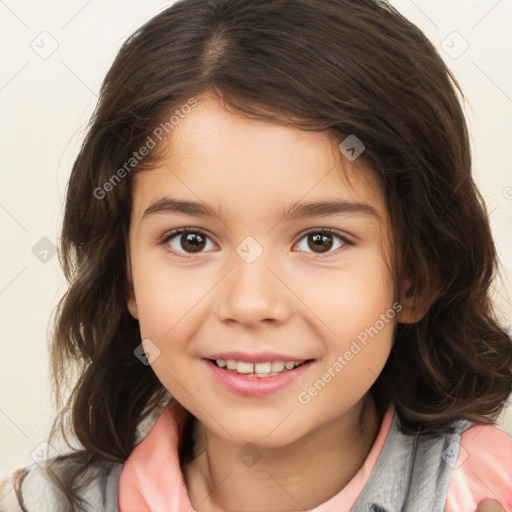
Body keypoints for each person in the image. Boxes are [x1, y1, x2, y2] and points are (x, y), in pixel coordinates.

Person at [1, 0, 511, 511]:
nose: (249, 303)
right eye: (191, 240)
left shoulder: (489, 491)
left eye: (320, 240)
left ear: (415, 277)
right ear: (126, 274)